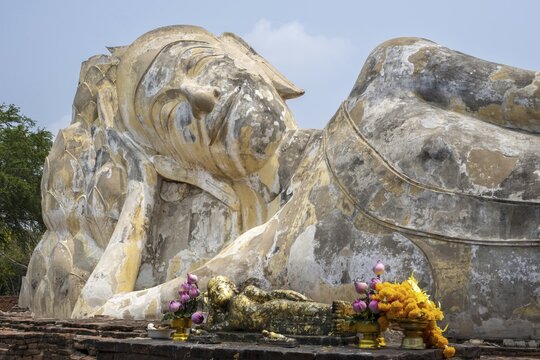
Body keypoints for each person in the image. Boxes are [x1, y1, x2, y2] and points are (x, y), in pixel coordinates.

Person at [21, 27, 539, 340]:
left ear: (254, 64)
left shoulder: (391, 74)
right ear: (186, 164)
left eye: (199, 66)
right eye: (171, 112)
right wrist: (140, 179)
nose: (198, 96)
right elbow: (98, 311)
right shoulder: (266, 254)